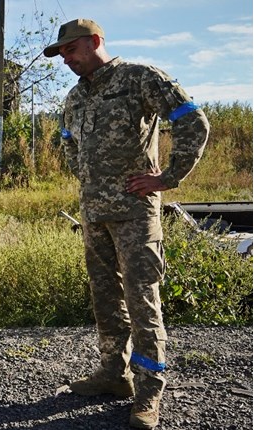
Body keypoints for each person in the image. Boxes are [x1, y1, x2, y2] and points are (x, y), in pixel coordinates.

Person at [43, 19, 209, 429]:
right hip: (94, 214)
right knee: (106, 300)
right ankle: (112, 375)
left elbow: (194, 121)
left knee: (141, 302)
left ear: (95, 42)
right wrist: (86, 179)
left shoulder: (139, 79)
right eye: (61, 53)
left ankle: (148, 392)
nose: (66, 59)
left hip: (136, 214)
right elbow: (67, 140)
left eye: (71, 49)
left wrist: (167, 178)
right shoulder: (75, 96)